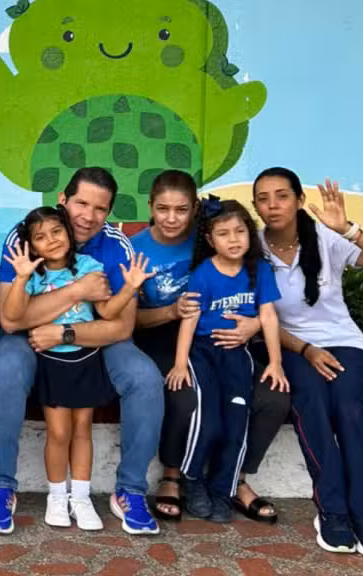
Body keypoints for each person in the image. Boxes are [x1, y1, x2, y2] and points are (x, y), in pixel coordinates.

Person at [0, 167, 165, 536]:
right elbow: (11, 320)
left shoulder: (114, 245)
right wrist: (78, 292)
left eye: (100, 209)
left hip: (93, 339)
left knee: (144, 378)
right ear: (63, 200)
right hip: (30, 338)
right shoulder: (27, 233)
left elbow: (120, 326)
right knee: (8, 369)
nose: (88, 216)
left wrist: (63, 332)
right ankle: (1, 487)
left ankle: (129, 490)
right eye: (81, 203)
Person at [254, 167, 363, 559]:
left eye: (282, 196)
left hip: (346, 345)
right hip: (290, 348)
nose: (273, 205)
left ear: (299, 200)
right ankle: (333, 511)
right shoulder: (252, 249)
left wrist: (348, 230)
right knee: (313, 404)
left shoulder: (325, 237)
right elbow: (262, 319)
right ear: (255, 206)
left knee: (349, 408)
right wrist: (306, 349)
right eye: (263, 199)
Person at [131, 170, 289, 523]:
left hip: (227, 339)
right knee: (184, 394)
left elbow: (260, 304)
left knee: (272, 398)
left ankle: (234, 479)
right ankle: (174, 475)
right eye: (163, 209)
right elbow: (128, 319)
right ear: (150, 207)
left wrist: (253, 326)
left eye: (181, 209)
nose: (172, 218)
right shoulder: (136, 248)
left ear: (195, 210)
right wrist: (170, 312)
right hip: (163, 334)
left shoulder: (217, 237)